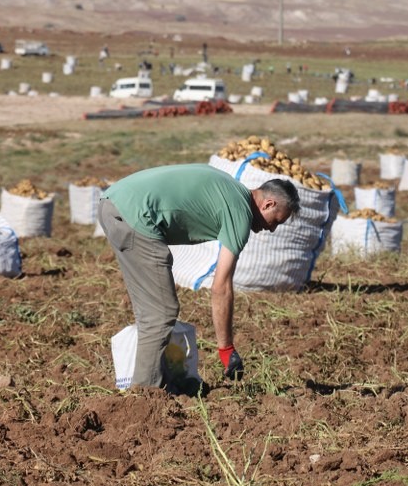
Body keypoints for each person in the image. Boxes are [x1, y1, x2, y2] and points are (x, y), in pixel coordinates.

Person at [98, 165, 300, 390]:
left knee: (152, 312)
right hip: (133, 215)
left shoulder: (232, 190)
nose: (272, 229)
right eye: (276, 221)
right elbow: (221, 287)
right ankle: (145, 395)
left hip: (114, 204)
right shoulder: (240, 211)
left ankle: (161, 380)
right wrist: (226, 349)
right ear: (268, 204)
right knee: (161, 312)